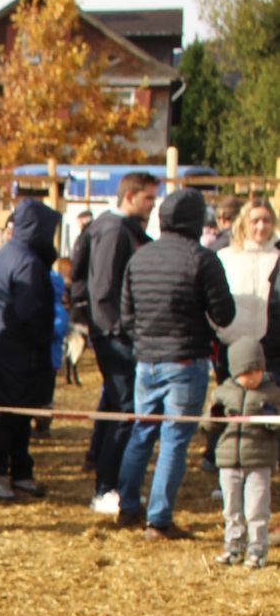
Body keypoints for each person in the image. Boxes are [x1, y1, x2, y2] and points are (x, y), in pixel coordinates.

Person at [116, 189, 235, 540]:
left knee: (142, 432)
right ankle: (158, 518)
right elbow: (224, 314)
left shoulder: (140, 256)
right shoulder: (202, 258)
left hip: (146, 361)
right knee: (173, 439)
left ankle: (128, 506)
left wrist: (146, 341)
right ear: (197, 221)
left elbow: (127, 316)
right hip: (184, 361)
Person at [74, 172, 158, 514]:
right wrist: (117, 332)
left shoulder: (122, 230)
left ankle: (103, 470)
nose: (152, 205)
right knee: (124, 409)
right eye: (149, 198)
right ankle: (106, 488)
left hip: (116, 333)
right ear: (130, 197)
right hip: (115, 335)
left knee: (115, 404)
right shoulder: (112, 231)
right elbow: (102, 289)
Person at [0, 199, 59, 501]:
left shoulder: (8, 252)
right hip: (18, 349)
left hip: (7, 342)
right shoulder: (27, 262)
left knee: (20, 413)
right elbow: (27, 311)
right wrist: (43, 338)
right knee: (9, 414)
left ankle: (21, 471)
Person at [209, 336, 278, 567]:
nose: (252, 377)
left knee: (257, 506)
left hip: (259, 461)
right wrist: (214, 417)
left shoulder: (272, 394)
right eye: (246, 373)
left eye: (257, 371)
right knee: (231, 507)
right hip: (229, 460)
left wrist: (271, 420)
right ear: (235, 371)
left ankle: (258, 547)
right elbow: (207, 427)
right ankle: (234, 545)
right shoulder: (222, 393)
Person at [219, 200, 280, 374]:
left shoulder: (277, 257)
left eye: (266, 220)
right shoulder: (226, 257)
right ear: (244, 223)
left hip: (273, 351)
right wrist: (223, 332)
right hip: (233, 346)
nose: (261, 227)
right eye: (255, 221)